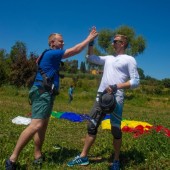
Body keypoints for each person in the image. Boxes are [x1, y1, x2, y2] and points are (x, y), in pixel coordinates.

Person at [5, 28, 98, 170]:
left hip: (46, 93)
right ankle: (12, 159)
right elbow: (75, 50)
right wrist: (89, 39)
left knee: (42, 126)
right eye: (60, 41)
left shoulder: (49, 54)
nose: (63, 43)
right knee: (35, 125)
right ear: (52, 43)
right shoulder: (52, 53)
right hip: (43, 93)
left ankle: (37, 155)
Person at [67, 33, 140, 170]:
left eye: (115, 41)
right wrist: (91, 43)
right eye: (113, 41)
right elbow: (90, 58)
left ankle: (116, 160)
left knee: (116, 130)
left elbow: (136, 81)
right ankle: (83, 157)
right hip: (100, 97)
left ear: (123, 43)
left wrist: (116, 86)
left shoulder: (129, 59)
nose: (112, 44)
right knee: (91, 126)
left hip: (116, 99)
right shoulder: (108, 58)